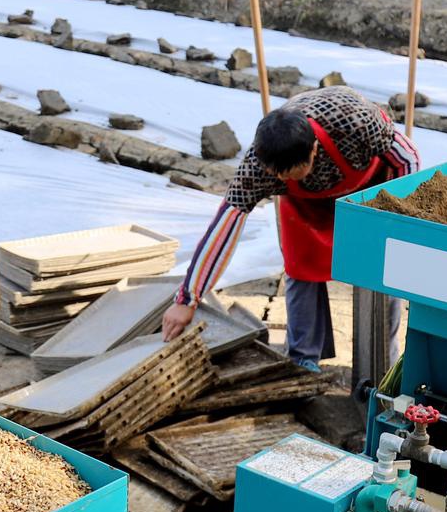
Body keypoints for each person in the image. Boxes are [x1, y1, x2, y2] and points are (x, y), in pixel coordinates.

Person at [160, 85, 417, 371]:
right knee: (300, 265)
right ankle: (304, 357)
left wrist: (396, 219)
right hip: (305, 207)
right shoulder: (256, 168)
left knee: (379, 270)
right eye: (278, 175)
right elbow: (224, 227)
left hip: (369, 191)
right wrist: (187, 298)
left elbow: (406, 158)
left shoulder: (356, 122)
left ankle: (383, 363)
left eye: (295, 171)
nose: (285, 177)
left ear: (314, 149)